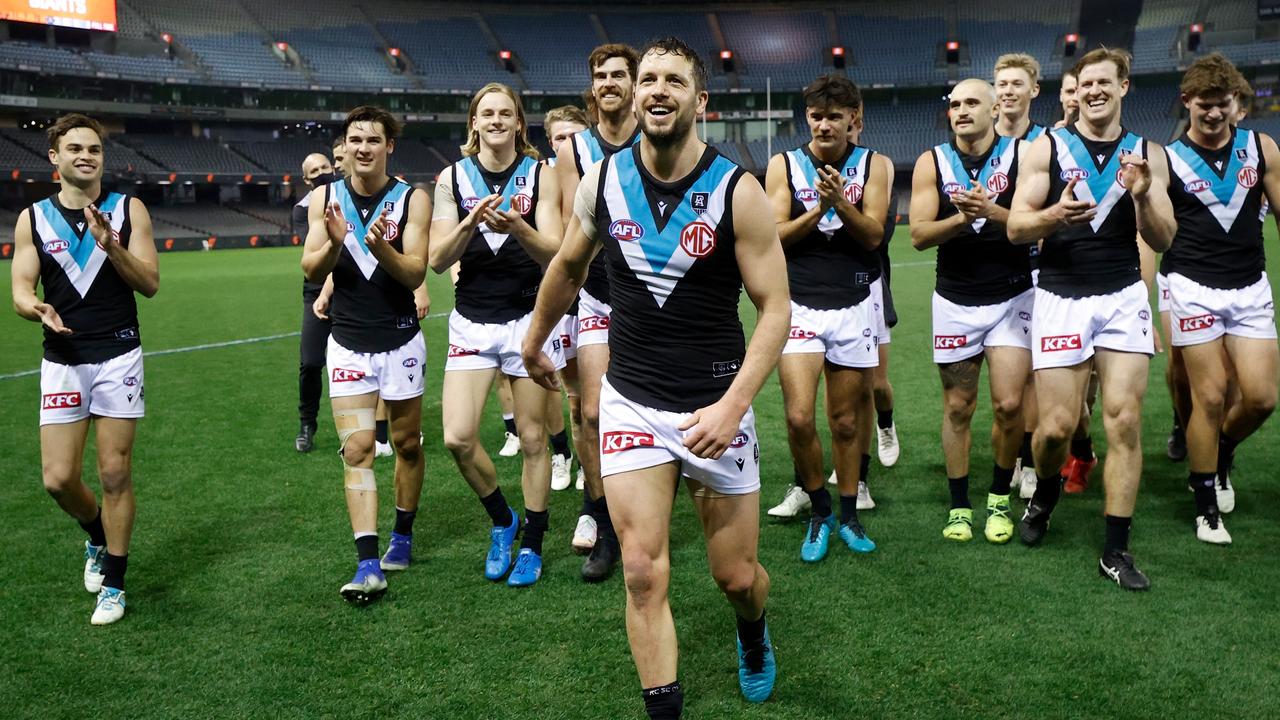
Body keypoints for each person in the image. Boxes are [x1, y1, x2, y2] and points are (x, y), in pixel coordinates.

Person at [522, 37, 789, 717]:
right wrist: (533, 341)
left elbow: (776, 311)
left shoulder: (739, 192)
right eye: (648, 79)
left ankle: (752, 633)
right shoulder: (603, 181)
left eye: (674, 80)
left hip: (714, 408)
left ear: (701, 100)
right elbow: (568, 268)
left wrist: (733, 406)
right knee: (641, 571)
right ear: (635, 94)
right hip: (634, 403)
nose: (657, 90)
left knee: (735, 577)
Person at [1008, 48, 1176, 590]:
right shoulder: (1048, 147)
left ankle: (1116, 548)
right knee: (1055, 429)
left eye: (1106, 82)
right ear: (1075, 92)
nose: (1095, 92)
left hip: (1124, 295)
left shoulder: (1148, 154)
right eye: (1085, 84)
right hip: (1061, 295)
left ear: (1124, 86)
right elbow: (1015, 227)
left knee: (1123, 420)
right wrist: (1054, 215)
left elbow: (1164, 238)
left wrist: (1145, 196)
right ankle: (1047, 491)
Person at [11, 113, 160, 624]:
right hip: (64, 360)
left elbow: (150, 284)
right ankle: (97, 534)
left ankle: (115, 584)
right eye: (74, 148)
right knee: (57, 479)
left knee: (115, 472)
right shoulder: (32, 218)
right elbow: (20, 289)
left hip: (119, 353)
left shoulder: (127, 209)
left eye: (94, 149)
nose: (86, 156)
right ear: (54, 157)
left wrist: (111, 245)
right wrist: (35, 307)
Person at [429, 83, 564, 588]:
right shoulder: (452, 177)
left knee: (533, 438)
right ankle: (503, 520)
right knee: (458, 438)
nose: (496, 120)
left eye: (506, 113)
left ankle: (532, 541)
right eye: (487, 113)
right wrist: (469, 223)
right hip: (472, 320)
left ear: (518, 123)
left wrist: (517, 226)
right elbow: (438, 259)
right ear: (474, 123)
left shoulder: (539, 174)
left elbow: (553, 251)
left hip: (529, 319)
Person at [301, 105, 431, 604]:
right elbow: (312, 268)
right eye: (355, 139)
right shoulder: (325, 198)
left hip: (399, 340)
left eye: (373, 140)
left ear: (388, 146)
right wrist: (335, 245)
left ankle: (403, 533)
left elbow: (416, 272)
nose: (362, 148)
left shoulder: (410, 199)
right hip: (349, 344)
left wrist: (381, 250)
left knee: (407, 445)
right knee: (356, 451)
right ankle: (367, 561)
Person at [764, 73, 886, 562]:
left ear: (852, 119)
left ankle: (850, 513)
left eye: (835, 116)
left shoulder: (873, 165)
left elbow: (875, 234)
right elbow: (774, 234)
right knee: (798, 417)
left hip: (854, 304)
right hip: (799, 305)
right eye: (817, 116)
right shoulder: (785, 165)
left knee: (846, 422)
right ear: (806, 117)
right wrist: (817, 210)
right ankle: (819, 509)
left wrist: (841, 204)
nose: (824, 124)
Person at [910, 79, 1032, 544]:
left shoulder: (1023, 155)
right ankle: (959, 505)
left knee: (1009, 404)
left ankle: (999, 498)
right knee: (958, 406)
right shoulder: (933, 161)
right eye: (954, 104)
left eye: (971, 103)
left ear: (995, 107)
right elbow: (919, 235)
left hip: (1013, 296)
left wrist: (991, 211)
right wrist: (964, 218)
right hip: (956, 300)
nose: (961, 111)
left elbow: (1035, 225)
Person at [1163, 53, 1279, 544]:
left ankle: (1224, 450)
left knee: (1261, 398)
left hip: (1250, 287)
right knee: (1207, 397)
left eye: (1222, 104)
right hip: (1192, 288)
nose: (1213, 114)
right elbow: (1154, 230)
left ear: (1237, 104)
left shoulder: (1261, 146)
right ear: (1188, 102)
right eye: (1205, 105)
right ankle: (1206, 503)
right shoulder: (1166, 158)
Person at [553, 43, 642, 580]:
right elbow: (571, 230)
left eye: (618, 75)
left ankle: (648, 507)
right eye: (600, 76)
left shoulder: (654, 135)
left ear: (634, 83)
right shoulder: (576, 151)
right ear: (593, 86)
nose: (609, 83)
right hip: (600, 295)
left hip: (655, 295)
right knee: (590, 413)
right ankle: (605, 525)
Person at [992, 54, 1049, 499]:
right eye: (1002, 83)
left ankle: (1029, 460)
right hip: (988, 274)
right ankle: (1010, 455)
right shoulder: (975, 144)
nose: (1008, 90)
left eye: (1017, 83)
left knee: (1030, 375)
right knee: (1004, 385)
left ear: (1034, 90)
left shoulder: (1050, 144)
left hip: (1036, 270)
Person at [543, 104, 592, 494]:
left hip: (600, 291)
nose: (566, 144)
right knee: (575, 399)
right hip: (563, 298)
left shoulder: (596, 169)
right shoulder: (541, 179)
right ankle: (571, 458)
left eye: (573, 136)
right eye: (560, 137)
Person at [293, 152, 338, 453]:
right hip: (317, 289)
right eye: (315, 171)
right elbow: (315, 253)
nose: (322, 172)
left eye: (325, 167)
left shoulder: (349, 195)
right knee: (310, 362)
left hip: (350, 286)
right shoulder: (302, 210)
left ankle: (380, 427)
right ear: (306, 180)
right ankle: (307, 423)